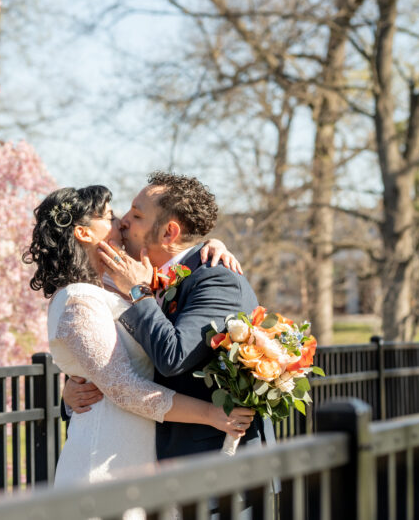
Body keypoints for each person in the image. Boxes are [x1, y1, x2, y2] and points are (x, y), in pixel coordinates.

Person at [23, 185, 256, 489]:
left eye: (133, 214)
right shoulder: (80, 297)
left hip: (149, 458)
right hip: (107, 456)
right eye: (111, 215)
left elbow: (143, 351)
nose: (121, 222)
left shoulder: (124, 284)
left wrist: (208, 244)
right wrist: (213, 414)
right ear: (82, 233)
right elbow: (119, 382)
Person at [63, 172, 275, 460]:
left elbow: (173, 357)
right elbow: (114, 359)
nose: (123, 221)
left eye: (136, 215)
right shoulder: (136, 280)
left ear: (168, 233)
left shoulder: (216, 279)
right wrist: (71, 394)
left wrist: (139, 293)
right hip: (147, 457)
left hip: (217, 467)